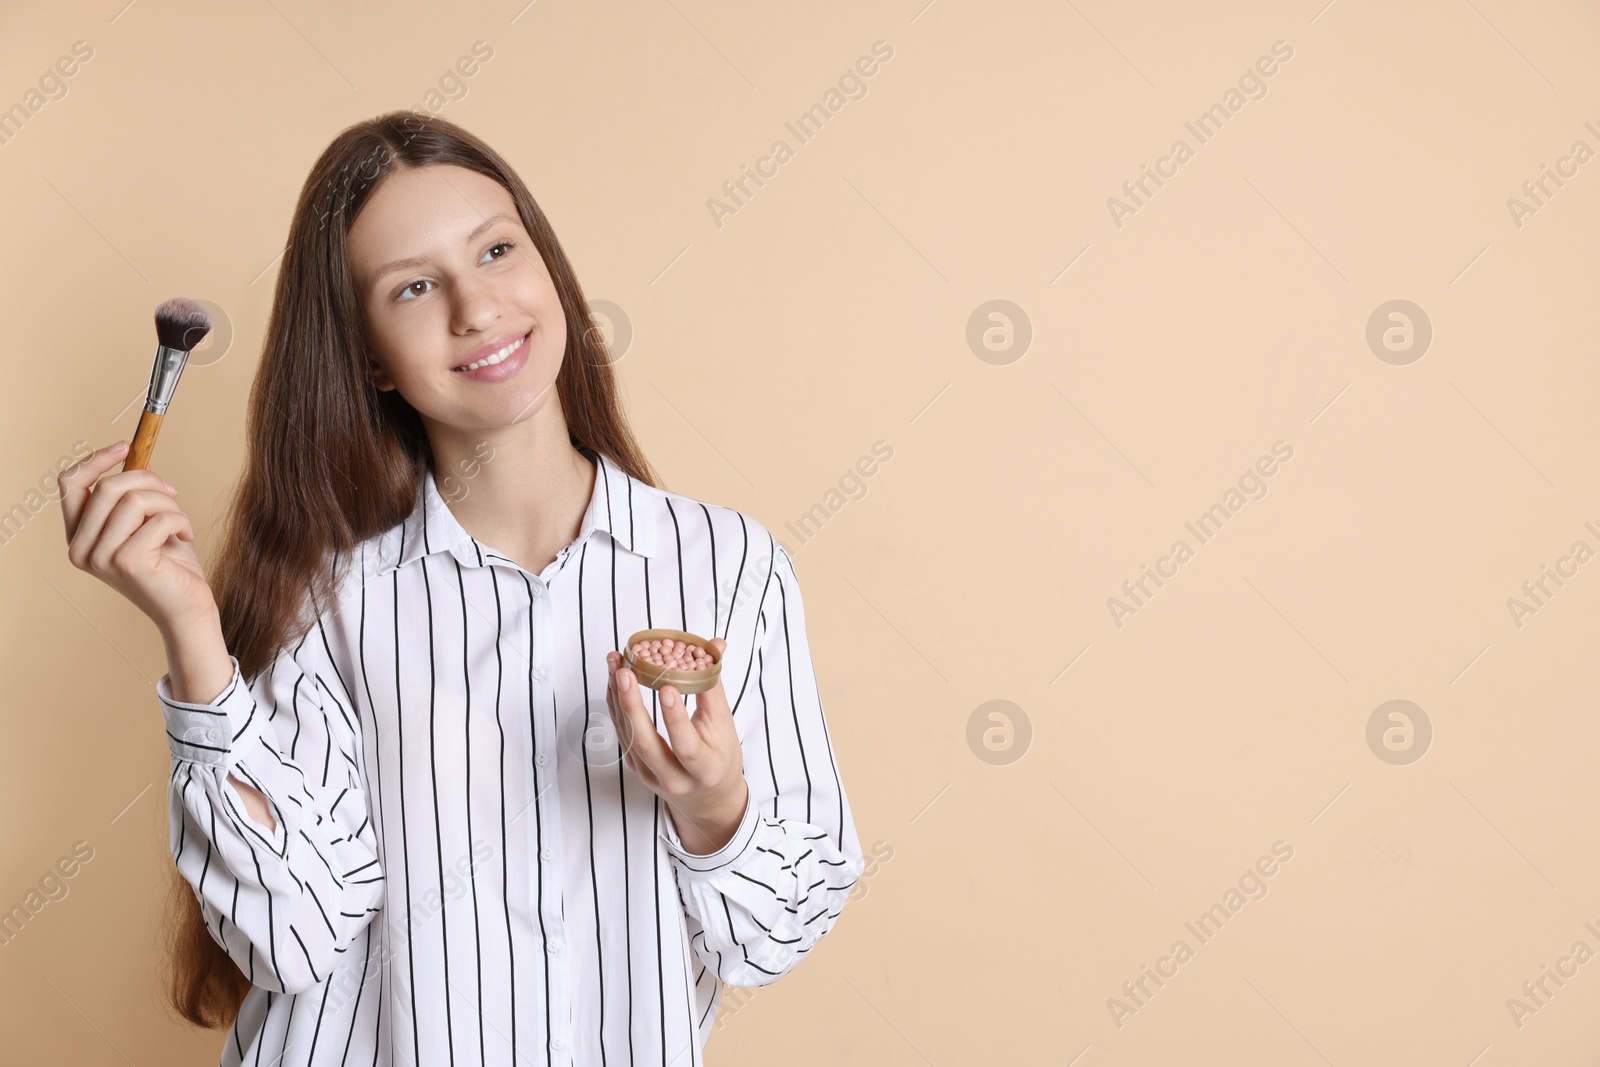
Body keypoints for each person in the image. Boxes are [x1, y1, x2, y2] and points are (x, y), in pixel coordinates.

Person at [57, 111, 863, 1067]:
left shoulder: (729, 566)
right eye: (413, 287)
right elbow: (291, 939)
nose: (475, 308)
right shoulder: (326, 599)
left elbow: (775, 936)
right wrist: (194, 636)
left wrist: (717, 804)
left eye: (495, 249)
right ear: (366, 358)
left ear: (550, 271)